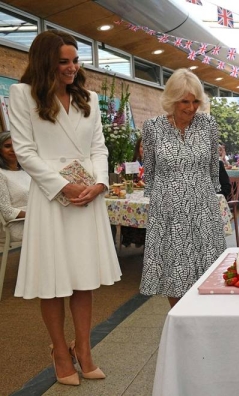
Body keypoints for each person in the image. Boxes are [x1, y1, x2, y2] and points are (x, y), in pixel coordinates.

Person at [10, 30, 121, 386]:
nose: (72, 68)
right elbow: (24, 151)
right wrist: (62, 185)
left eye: (75, 61)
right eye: (64, 62)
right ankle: (60, 351)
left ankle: (84, 348)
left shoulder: (87, 97)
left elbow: (99, 148)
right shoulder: (22, 94)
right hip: (52, 198)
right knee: (55, 280)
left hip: (87, 196)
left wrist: (100, 184)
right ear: (46, 62)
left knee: (84, 279)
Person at [140, 68, 226, 308]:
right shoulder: (152, 128)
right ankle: (180, 319)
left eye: (195, 101)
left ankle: (206, 320)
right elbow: (150, 172)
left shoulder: (208, 124)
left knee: (206, 268)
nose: (190, 107)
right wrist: (160, 203)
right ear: (172, 100)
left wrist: (209, 198)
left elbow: (212, 168)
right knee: (174, 270)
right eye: (184, 102)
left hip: (202, 207)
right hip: (168, 209)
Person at [0, 132, 31, 242]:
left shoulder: (26, 171)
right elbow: (6, 211)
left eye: (16, 145)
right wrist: (34, 215)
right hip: (17, 224)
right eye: (7, 146)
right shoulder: (1, 174)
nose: (13, 149)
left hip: (35, 218)